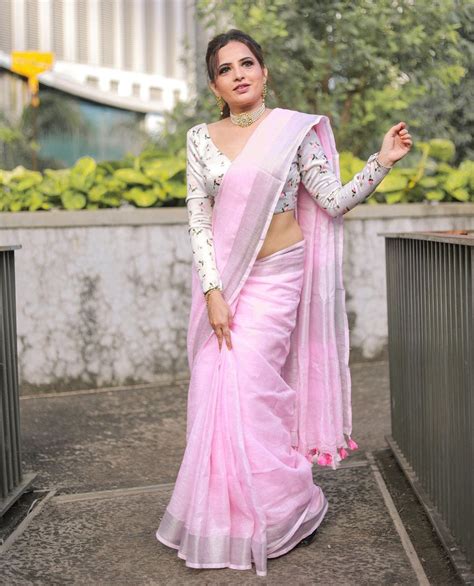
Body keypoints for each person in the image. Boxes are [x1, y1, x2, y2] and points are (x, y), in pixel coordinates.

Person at [156, 29, 413, 577]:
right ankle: (223, 521)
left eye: (247, 63)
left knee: (252, 390)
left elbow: (333, 201)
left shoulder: (293, 133)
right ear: (215, 85)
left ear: (265, 72)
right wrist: (213, 292)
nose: (239, 74)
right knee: (212, 387)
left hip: (278, 279)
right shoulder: (201, 138)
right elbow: (198, 219)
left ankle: (281, 510)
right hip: (227, 283)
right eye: (226, 69)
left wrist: (382, 160)